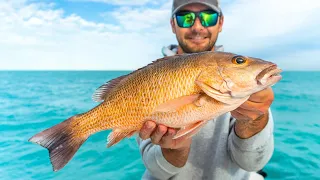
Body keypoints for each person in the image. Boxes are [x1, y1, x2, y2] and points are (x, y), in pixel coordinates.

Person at [136, 0, 275, 179]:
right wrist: (174, 149)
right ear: (173, 24)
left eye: (208, 17)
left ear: (220, 22)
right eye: (185, 18)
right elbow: (158, 171)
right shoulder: (149, 79)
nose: (197, 26)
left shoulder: (239, 80)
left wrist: (255, 121)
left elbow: (252, 163)